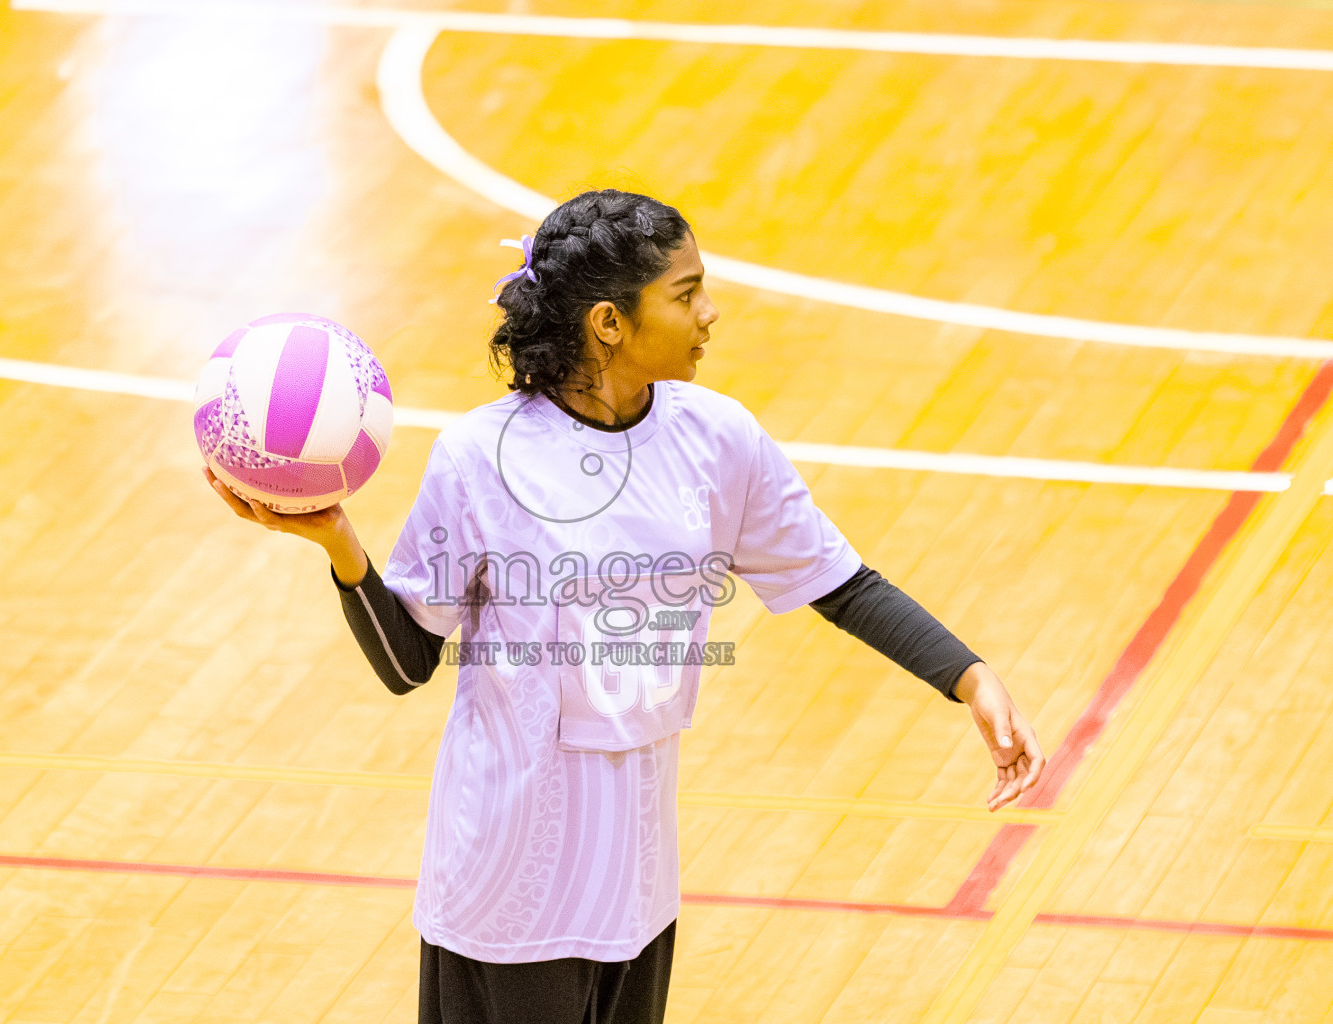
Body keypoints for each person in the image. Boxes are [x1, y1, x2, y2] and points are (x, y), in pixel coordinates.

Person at [205, 189, 1044, 1024]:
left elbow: (841, 583)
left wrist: (970, 678)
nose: (709, 313)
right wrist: (339, 543)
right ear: (609, 322)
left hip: (636, 889)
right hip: (506, 896)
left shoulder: (717, 439)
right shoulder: (481, 457)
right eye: (686, 294)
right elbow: (408, 661)